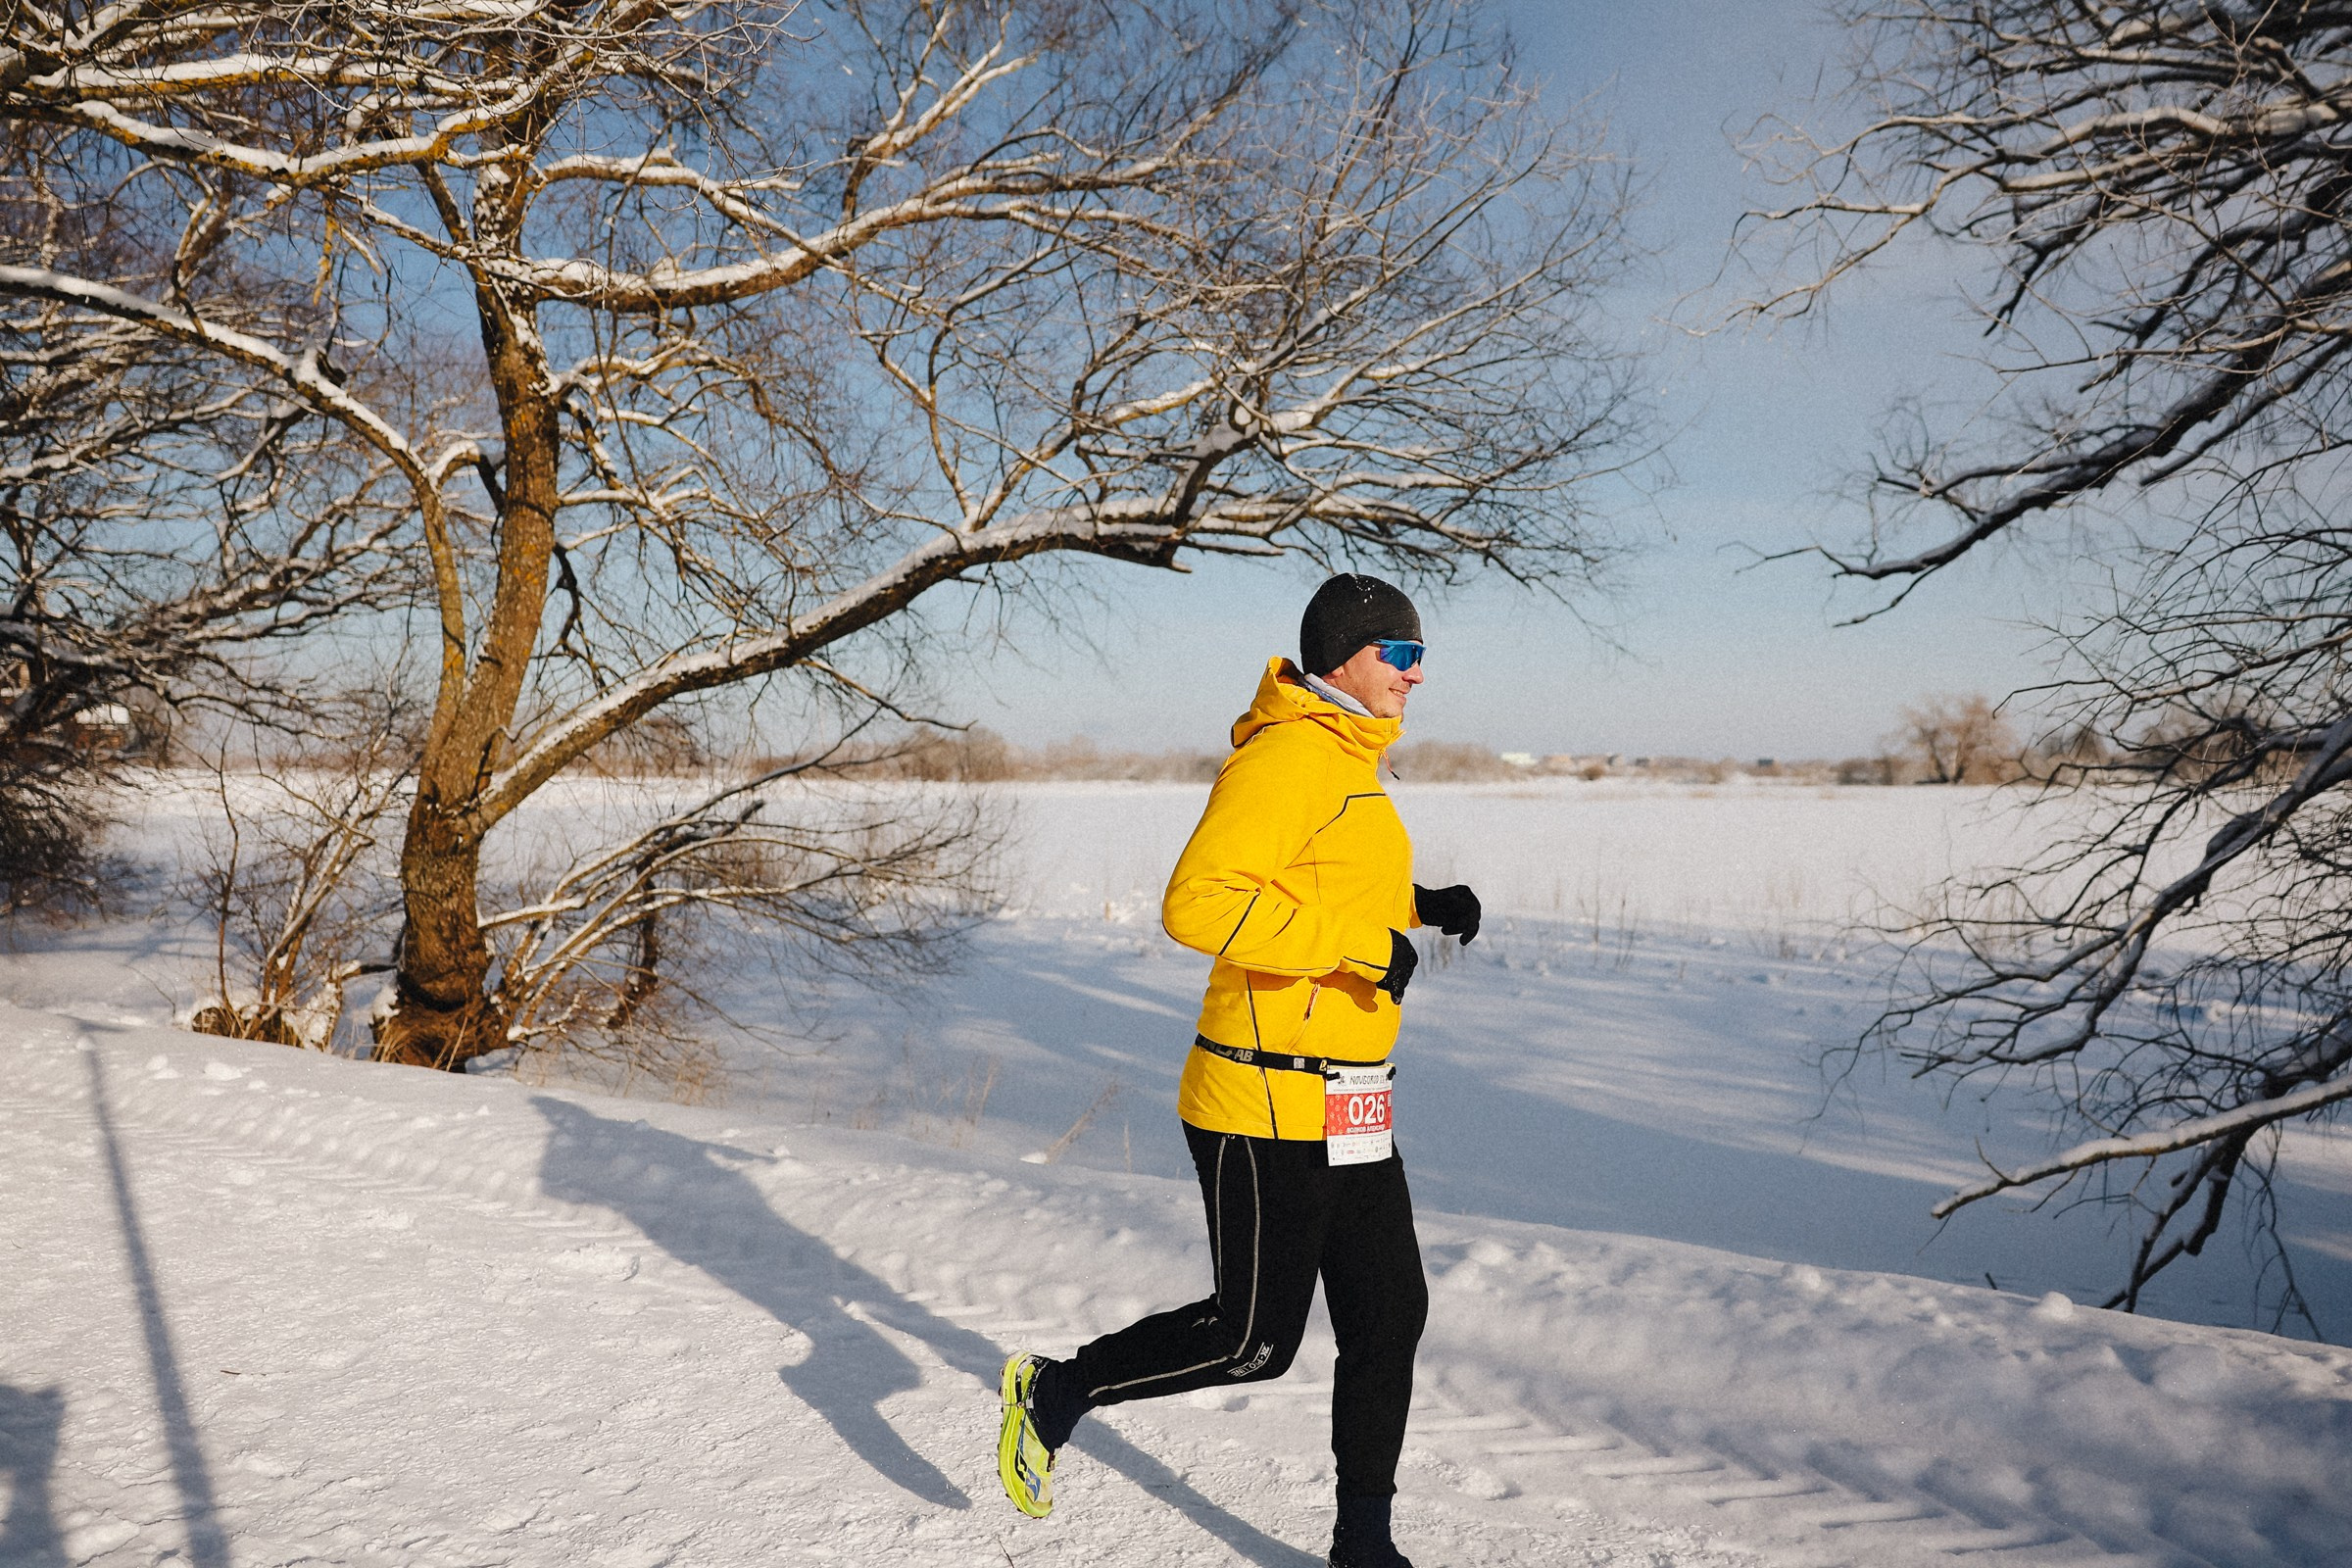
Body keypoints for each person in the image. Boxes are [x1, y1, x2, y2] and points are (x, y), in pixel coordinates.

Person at [996, 573, 1483, 1568]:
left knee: (1390, 1317)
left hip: (1348, 1095)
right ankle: (1056, 1388)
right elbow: (1199, 903)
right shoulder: (1290, 755)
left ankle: (1365, 1546)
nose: (1416, 672)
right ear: (1344, 655)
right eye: (1399, 653)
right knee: (1252, 1340)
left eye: (1419, 654)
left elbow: (1316, 874)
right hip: (1260, 1093)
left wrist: (1421, 902)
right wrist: (1356, 943)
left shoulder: (1346, 758)